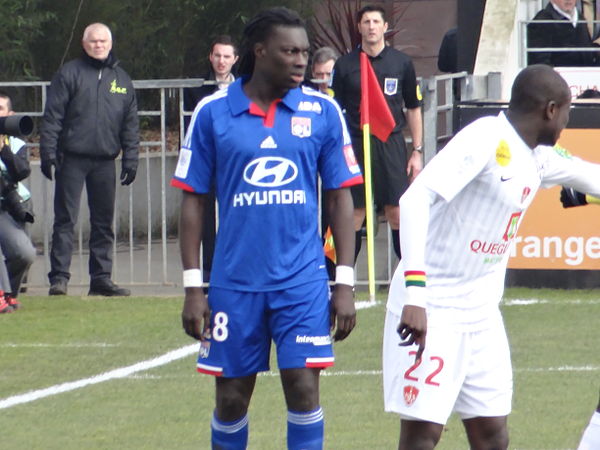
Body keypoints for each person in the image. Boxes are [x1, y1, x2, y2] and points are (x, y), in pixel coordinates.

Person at [171, 7, 362, 448]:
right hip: (234, 284)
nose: (301, 61)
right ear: (260, 52)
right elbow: (193, 199)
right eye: (289, 51)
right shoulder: (212, 112)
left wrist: (345, 282)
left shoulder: (323, 111)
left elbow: (339, 197)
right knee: (232, 398)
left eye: (305, 52)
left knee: (303, 389)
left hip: (302, 281)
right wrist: (192, 286)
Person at [382, 64, 600, 449]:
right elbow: (415, 198)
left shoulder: (539, 157)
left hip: (481, 316)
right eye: (567, 112)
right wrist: (416, 294)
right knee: (422, 436)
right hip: (432, 308)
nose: (567, 121)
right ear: (551, 110)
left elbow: (592, 177)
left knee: (492, 435)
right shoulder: (485, 137)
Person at [40, 23, 139, 297]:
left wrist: (131, 158)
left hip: (106, 161)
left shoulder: (122, 79)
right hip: (71, 158)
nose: (98, 45)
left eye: (103, 41)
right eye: (93, 41)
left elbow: (130, 124)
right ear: (84, 44)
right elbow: (53, 116)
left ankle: (101, 278)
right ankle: (59, 278)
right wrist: (48, 152)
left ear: (110, 43)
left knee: (103, 223)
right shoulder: (68, 74)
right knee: (65, 220)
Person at [332, 4, 423, 262]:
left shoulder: (402, 63)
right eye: (366, 22)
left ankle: (408, 278)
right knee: (355, 211)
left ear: (385, 27)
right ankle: (343, 279)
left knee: (396, 210)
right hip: (355, 144)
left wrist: (416, 151)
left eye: (375, 22)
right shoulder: (344, 64)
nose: (371, 27)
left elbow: (413, 108)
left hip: (390, 143)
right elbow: (334, 110)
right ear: (359, 27)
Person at [183, 36, 238, 288]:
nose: (221, 61)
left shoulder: (244, 89)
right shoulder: (196, 89)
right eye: (217, 56)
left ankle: (236, 267)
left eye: (227, 56)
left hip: (236, 163)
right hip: (208, 162)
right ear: (210, 57)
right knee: (205, 218)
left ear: (235, 59)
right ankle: (207, 271)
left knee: (237, 215)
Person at [0, 92, 36, 313]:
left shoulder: (15, 143)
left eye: (1, 109)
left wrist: (3, 150)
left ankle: (10, 293)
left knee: (25, 253)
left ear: (10, 114)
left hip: (7, 207)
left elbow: (21, 171)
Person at [528, 0, 599, 67]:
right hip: (557, 78)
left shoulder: (580, 18)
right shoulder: (542, 22)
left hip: (585, 77)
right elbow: (540, 64)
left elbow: (588, 57)